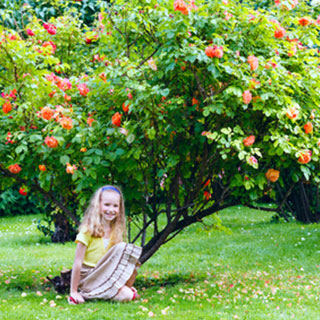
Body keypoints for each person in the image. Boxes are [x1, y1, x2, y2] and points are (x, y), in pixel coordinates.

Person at [69, 185, 142, 304]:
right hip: (89, 277)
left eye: (115, 206)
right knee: (123, 248)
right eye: (107, 205)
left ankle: (98, 294)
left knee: (127, 295)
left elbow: (117, 264)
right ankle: (86, 293)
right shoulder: (87, 230)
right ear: (98, 206)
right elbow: (77, 262)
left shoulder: (116, 231)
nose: (111, 210)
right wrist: (73, 291)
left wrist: (123, 284)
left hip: (106, 276)